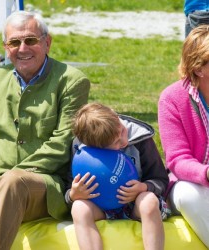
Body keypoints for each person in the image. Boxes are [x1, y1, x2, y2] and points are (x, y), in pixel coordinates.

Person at [0, 10, 90, 250]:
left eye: (30, 40)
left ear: (47, 42)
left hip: (46, 188)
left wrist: (4, 189)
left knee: (13, 182)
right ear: (5, 47)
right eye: (14, 42)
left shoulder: (72, 81)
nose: (22, 49)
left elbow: (61, 145)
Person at [65, 103, 170, 250]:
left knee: (149, 201)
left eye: (121, 131)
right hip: (102, 208)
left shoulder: (140, 138)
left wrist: (143, 187)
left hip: (135, 205)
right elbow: (69, 188)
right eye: (116, 143)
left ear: (116, 116)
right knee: (79, 208)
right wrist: (73, 195)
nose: (124, 141)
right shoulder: (81, 151)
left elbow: (162, 180)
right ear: (97, 149)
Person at [158, 25, 209, 248]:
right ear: (199, 69)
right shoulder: (172, 98)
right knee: (189, 195)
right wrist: (206, 174)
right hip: (191, 182)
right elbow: (177, 161)